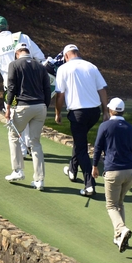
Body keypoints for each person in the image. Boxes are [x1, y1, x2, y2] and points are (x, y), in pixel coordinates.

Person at [0, 16, 45, 156]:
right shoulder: (23, 38)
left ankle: (22, 150)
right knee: (30, 113)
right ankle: (30, 145)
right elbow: (40, 57)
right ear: (8, 26)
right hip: (32, 87)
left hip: (11, 89)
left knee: (15, 116)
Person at [53, 44, 108, 196]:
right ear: (77, 52)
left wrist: (58, 113)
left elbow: (60, 95)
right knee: (79, 141)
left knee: (81, 148)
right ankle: (72, 170)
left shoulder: (63, 69)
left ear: (66, 56)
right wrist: (105, 111)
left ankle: (89, 185)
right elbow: (102, 89)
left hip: (78, 114)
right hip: (94, 113)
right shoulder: (91, 66)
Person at [91, 98, 132, 252]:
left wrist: (94, 166)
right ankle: (119, 237)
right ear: (122, 111)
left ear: (110, 110)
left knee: (111, 205)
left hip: (113, 171)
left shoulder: (105, 126)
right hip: (129, 171)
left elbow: (98, 147)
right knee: (119, 203)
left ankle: (122, 229)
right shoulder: (130, 128)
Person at [3, 43, 52, 190]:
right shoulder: (40, 66)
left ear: (17, 53)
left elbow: (11, 88)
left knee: (13, 136)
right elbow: (47, 89)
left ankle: (18, 170)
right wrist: (45, 106)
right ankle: (39, 180)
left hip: (24, 106)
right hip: (40, 107)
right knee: (35, 142)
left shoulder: (14, 64)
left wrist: (8, 107)